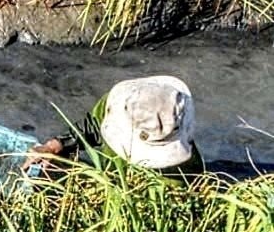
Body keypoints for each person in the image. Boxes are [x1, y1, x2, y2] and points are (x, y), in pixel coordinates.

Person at [27, 75, 205, 182]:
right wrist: (58, 144)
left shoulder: (179, 175)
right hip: (111, 174)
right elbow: (94, 125)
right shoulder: (123, 105)